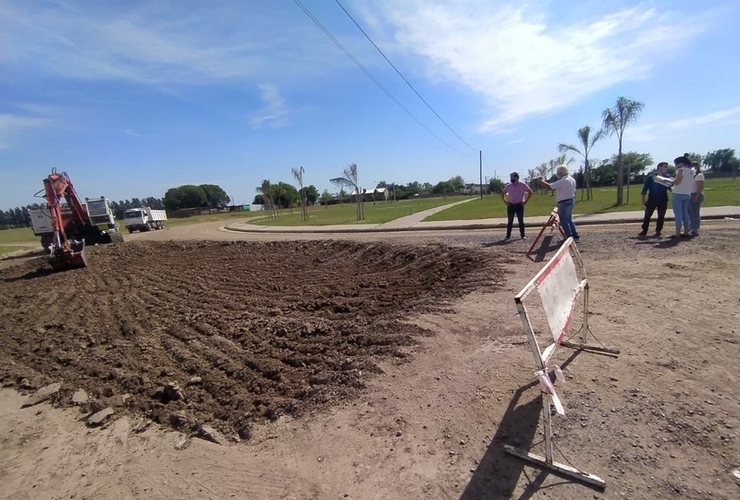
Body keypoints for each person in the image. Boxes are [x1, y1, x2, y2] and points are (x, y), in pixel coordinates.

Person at [537, 165, 579, 241]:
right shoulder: (571, 179)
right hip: (571, 200)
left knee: (564, 221)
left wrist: (541, 181)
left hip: (564, 202)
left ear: (560, 172)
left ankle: (569, 238)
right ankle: (575, 236)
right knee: (569, 219)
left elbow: (550, 187)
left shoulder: (563, 180)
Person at [638, 162, 671, 237]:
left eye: (667, 167)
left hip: (663, 199)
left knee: (661, 216)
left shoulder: (668, 177)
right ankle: (644, 230)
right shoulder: (651, 177)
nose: (666, 168)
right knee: (647, 215)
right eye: (664, 166)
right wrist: (643, 198)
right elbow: (645, 188)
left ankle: (658, 230)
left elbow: (671, 187)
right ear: (659, 167)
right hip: (652, 199)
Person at [500, 172, 533, 240]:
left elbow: (530, 192)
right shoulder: (508, 186)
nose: (511, 179)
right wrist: (505, 201)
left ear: (516, 178)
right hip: (511, 206)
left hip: (519, 205)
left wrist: (525, 201)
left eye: (512, 178)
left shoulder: (522, 185)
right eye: (510, 178)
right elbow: (502, 193)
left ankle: (522, 235)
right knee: (510, 221)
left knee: (521, 221)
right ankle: (508, 236)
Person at [670, 154, 693, 239]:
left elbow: (677, 182)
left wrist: (668, 180)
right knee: (685, 213)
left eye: (676, 164)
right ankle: (686, 231)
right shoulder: (691, 171)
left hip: (678, 193)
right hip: (687, 193)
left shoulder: (681, 170)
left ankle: (677, 233)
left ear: (681, 163)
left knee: (678, 214)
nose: (676, 166)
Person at [689, 161, 705, 237]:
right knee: (690, 212)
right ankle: (690, 228)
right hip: (690, 194)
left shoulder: (699, 175)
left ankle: (694, 229)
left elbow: (700, 187)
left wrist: (696, 196)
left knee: (694, 213)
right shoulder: (691, 176)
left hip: (696, 194)